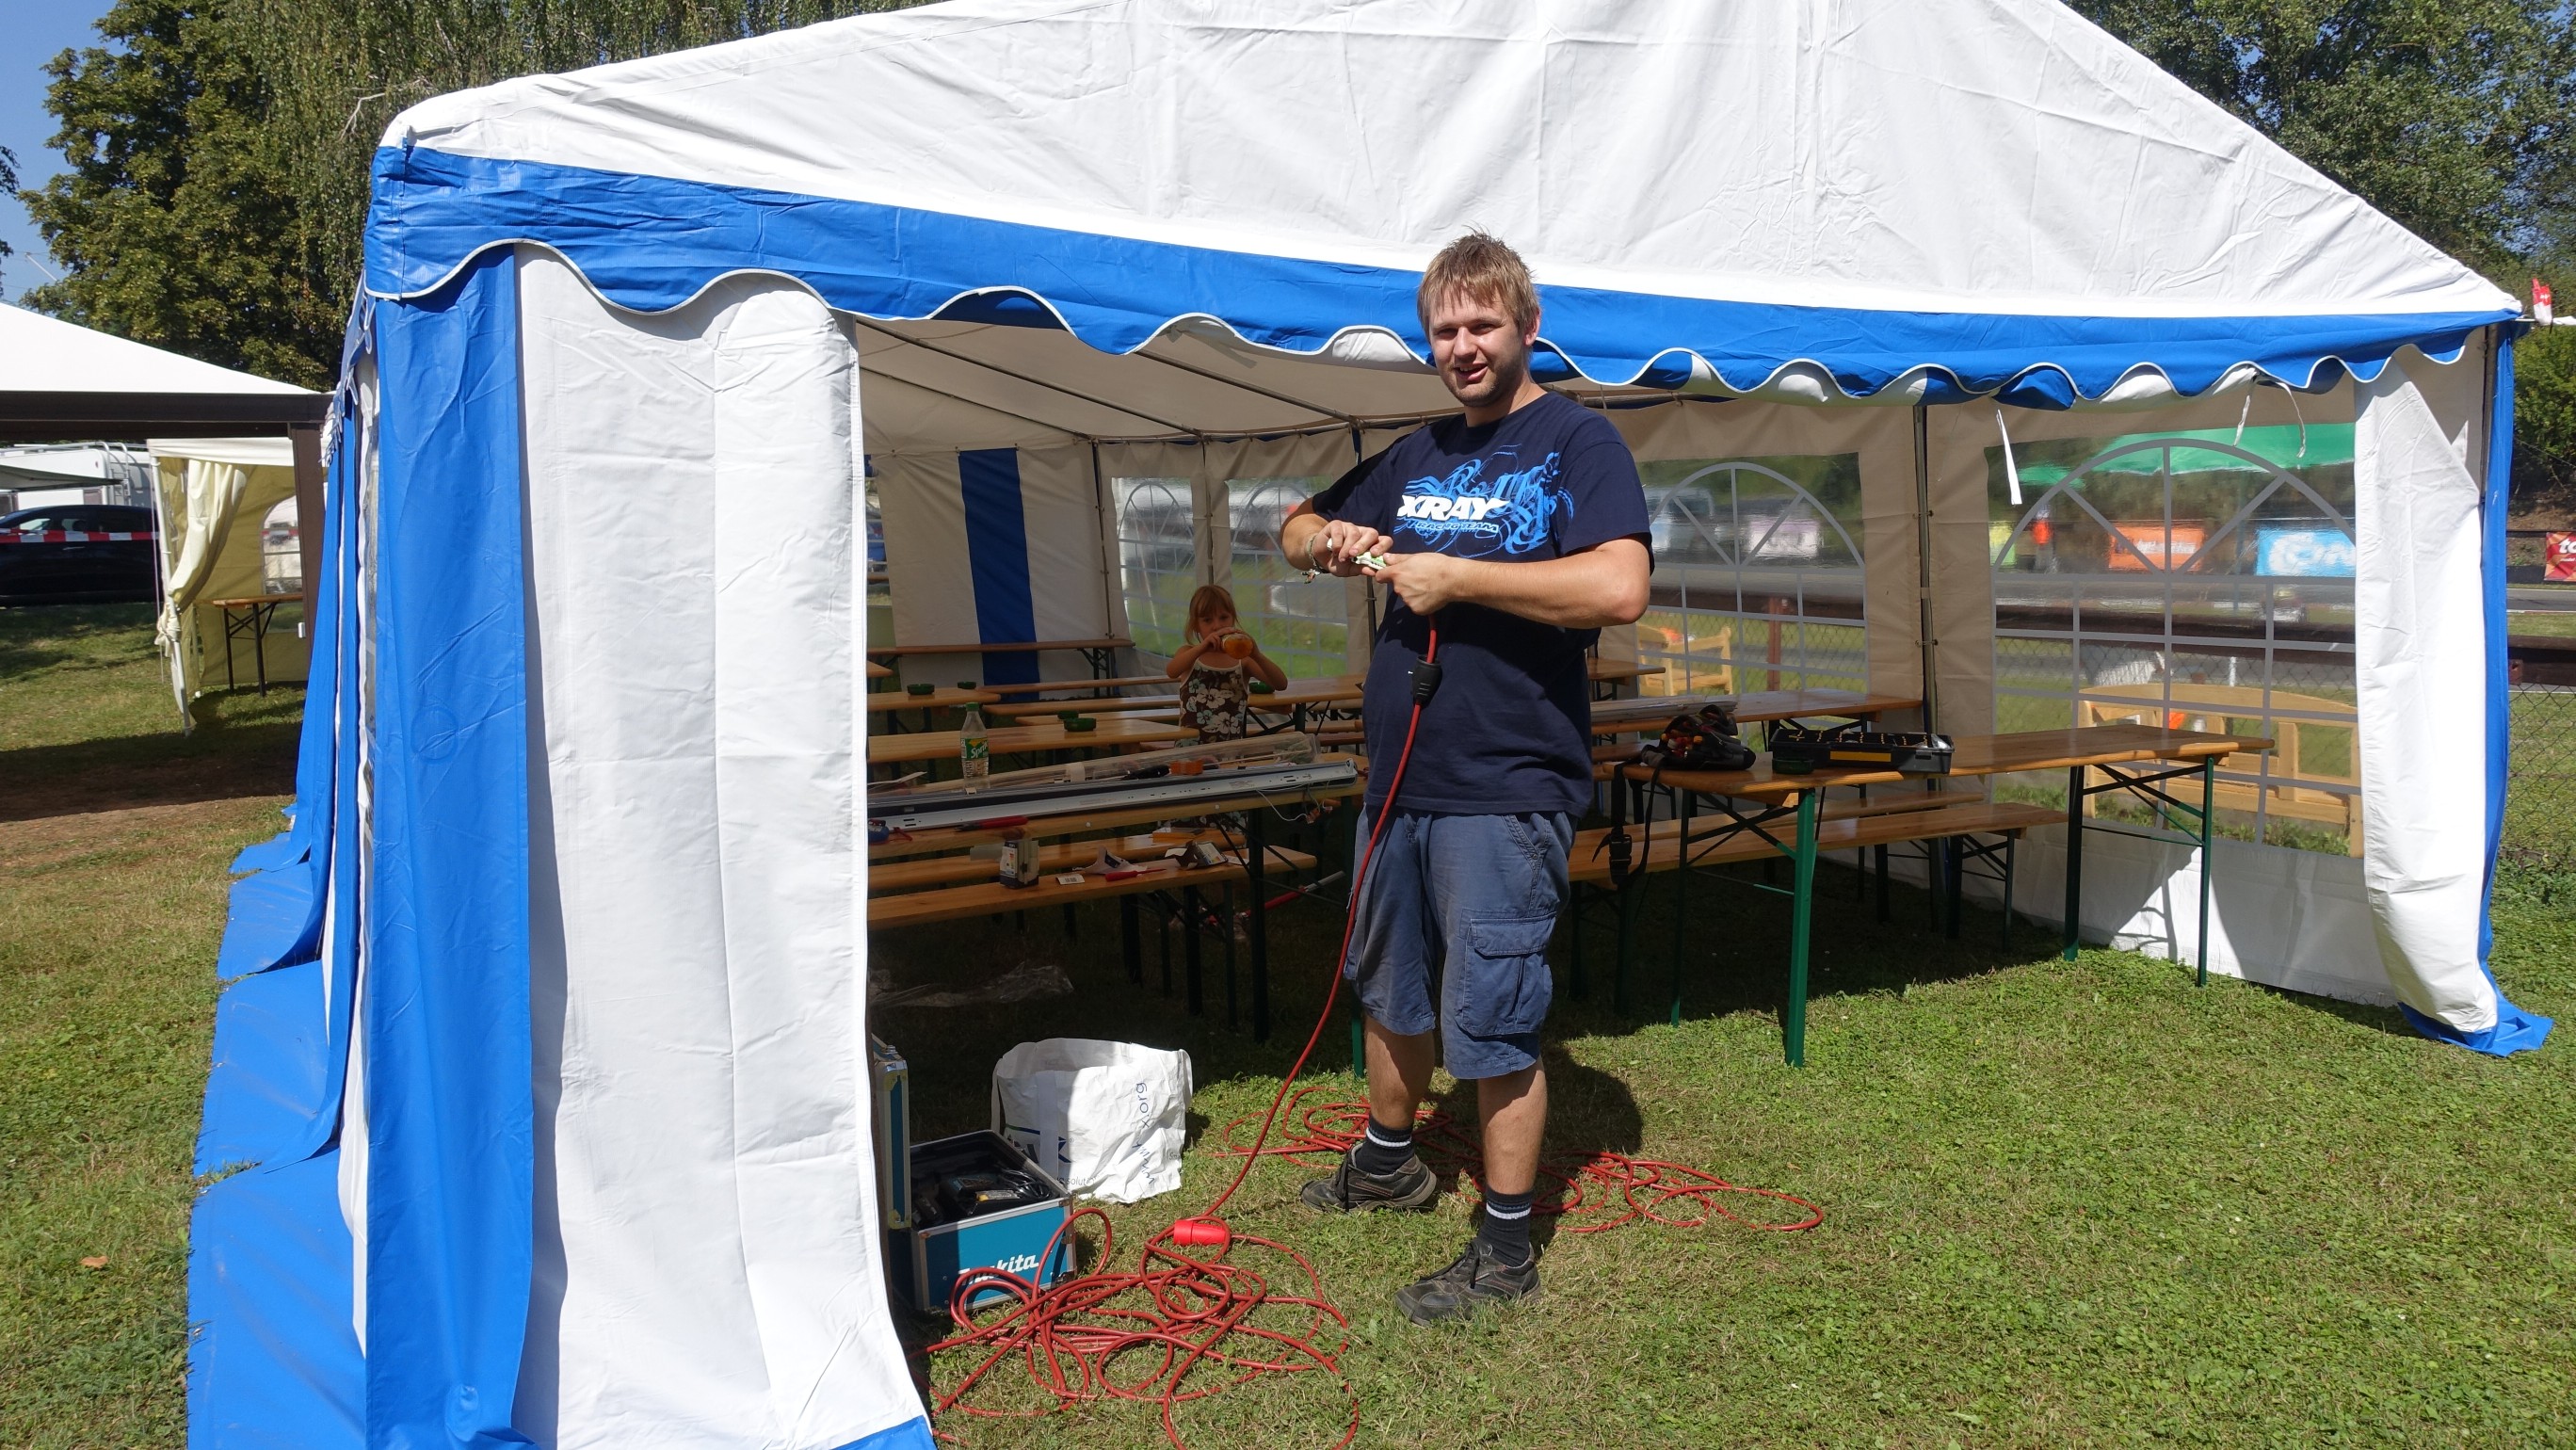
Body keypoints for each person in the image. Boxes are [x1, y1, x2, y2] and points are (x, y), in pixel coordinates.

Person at [1277, 232, 1651, 1324]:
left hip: (1505, 778)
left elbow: (1620, 586)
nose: (1463, 345)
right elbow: (1292, 523)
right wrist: (1326, 541)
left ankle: (1505, 1246)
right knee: (1389, 980)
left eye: (1483, 324)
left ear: (1527, 327)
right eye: (1444, 330)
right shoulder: (1417, 451)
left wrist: (1462, 580)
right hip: (1398, 776)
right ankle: (1390, 1158)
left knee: (1491, 1012)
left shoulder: (1578, 441)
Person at [1165, 584, 1290, 739]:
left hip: (1230, 748)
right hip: (1190, 748)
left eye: (1223, 618)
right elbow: (1172, 671)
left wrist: (1257, 655)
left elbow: (1281, 684)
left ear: (1233, 619)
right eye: (1207, 620)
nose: (1217, 626)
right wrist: (1202, 647)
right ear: (1196, 626)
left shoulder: (1243, 660)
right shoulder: (1189, 653)